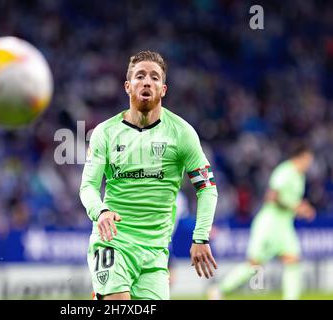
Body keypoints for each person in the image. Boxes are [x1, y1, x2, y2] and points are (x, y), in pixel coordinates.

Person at [79, 50, 218, 300]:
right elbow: (87, 186)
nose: (146, 81)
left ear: (163, 89)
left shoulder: (182, 133)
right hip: (114, 242)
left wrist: (201, 237)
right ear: (127, 86)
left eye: (154, 77)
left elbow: (207, 188)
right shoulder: (104, 133)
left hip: (155, 252)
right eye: (140, 76)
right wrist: (100, 212)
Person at [208, 143, 315, 300]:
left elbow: (291, 200)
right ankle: (219, 289)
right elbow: (271, 196)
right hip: (270, 224)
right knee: (255, 264)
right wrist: (296, 207)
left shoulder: (300, 176)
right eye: (308, 159)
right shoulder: (285, 171)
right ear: (301, 157)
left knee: (293, 259)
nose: (310, 163)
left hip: (284, 225)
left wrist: (301, 206)